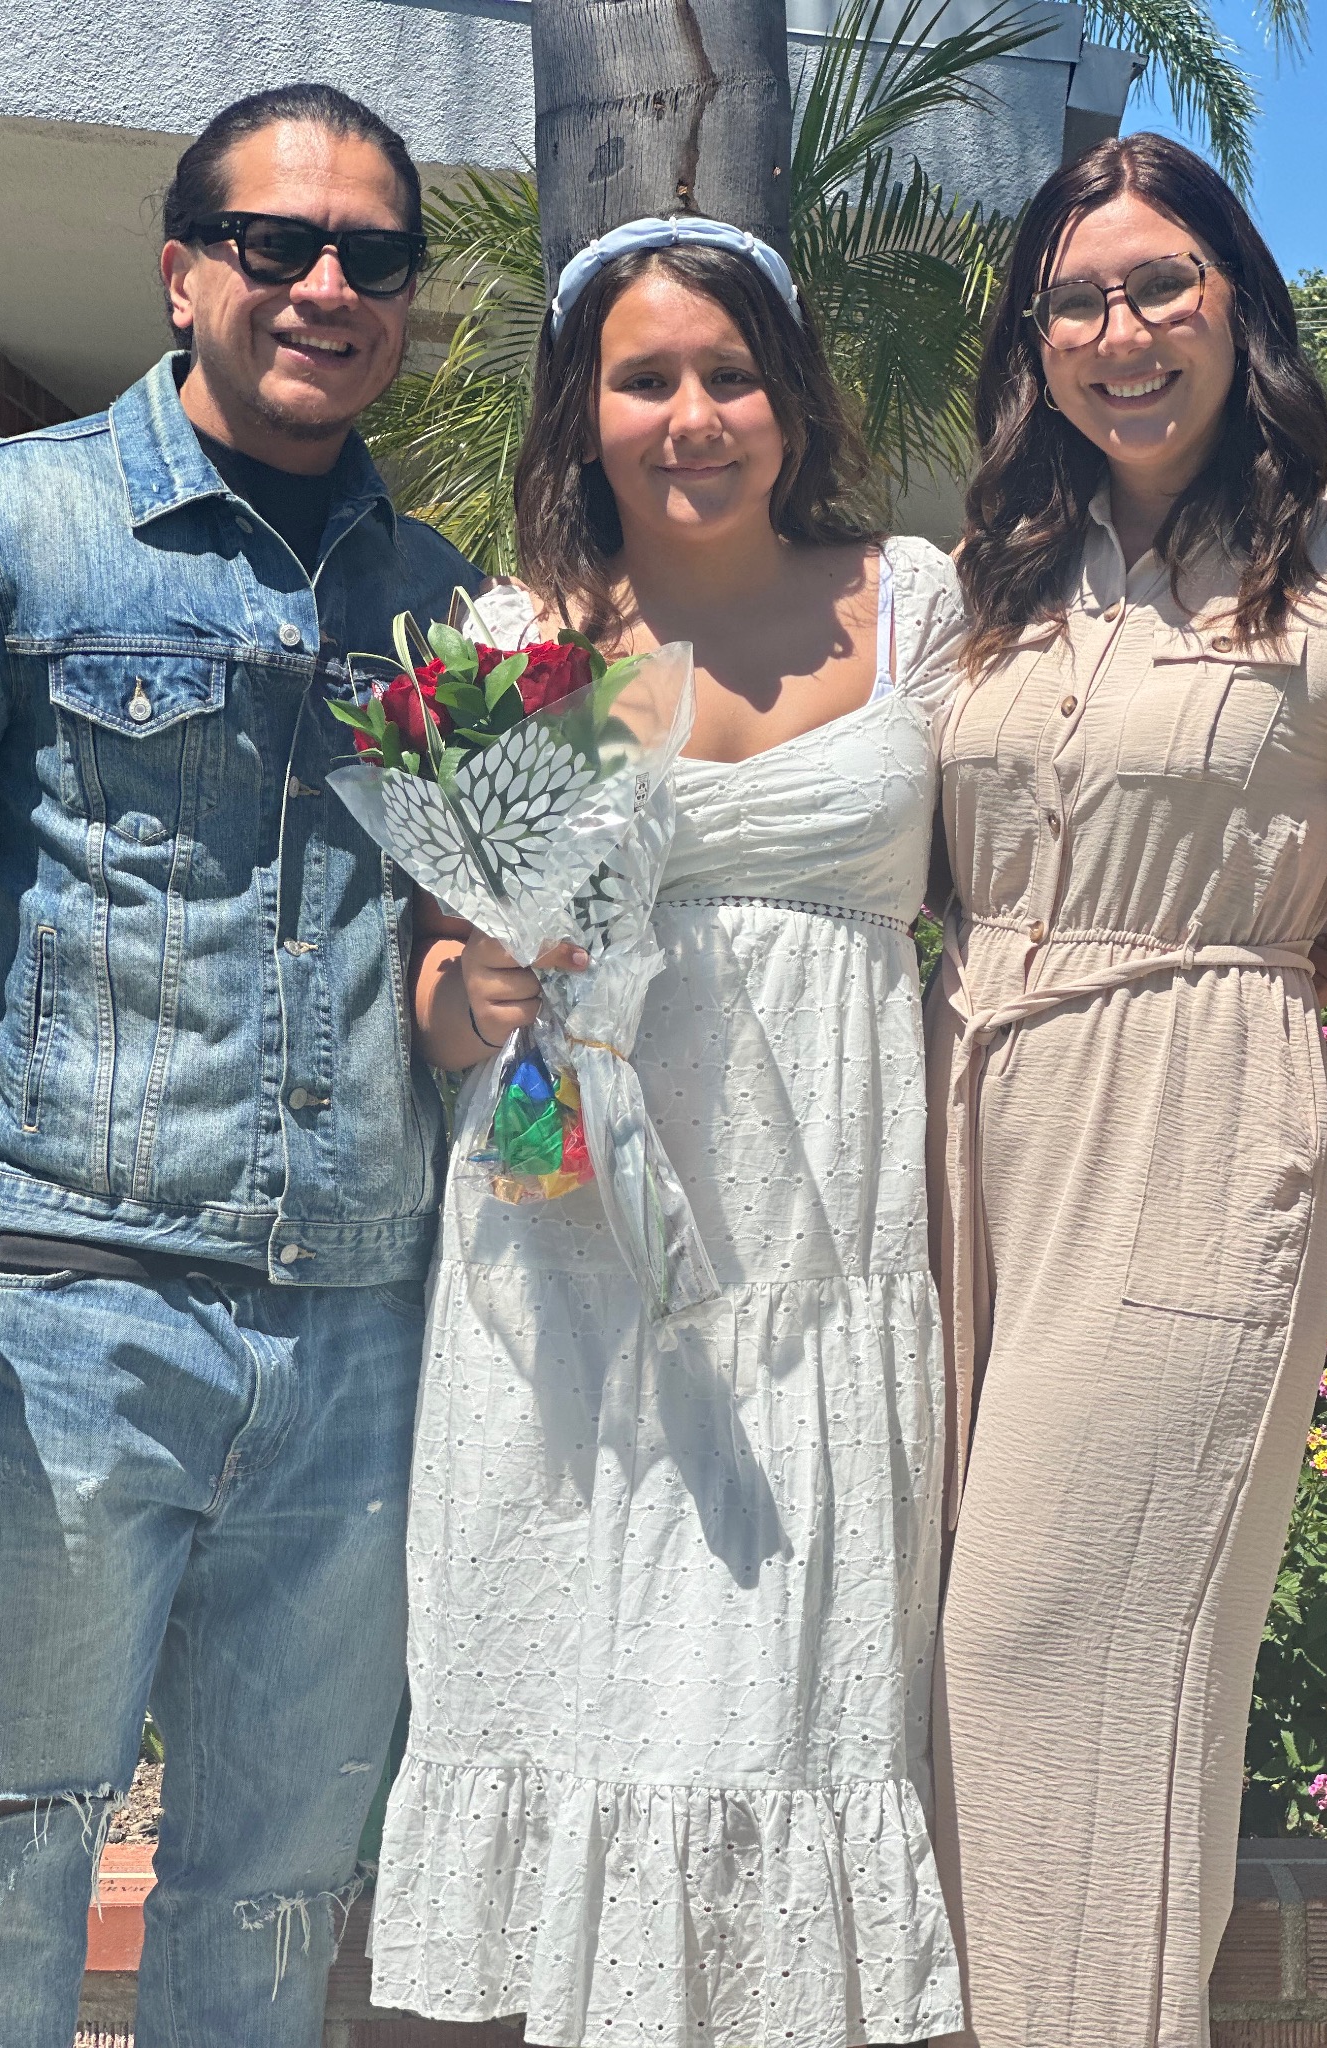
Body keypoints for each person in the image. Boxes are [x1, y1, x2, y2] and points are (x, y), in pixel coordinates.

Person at [367, 215, 970, 2046]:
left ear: (791, 400)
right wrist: (468, 996)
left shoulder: (915, 603)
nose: (692, 415)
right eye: (645, 379)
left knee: (782, 1707)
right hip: (566, 1252)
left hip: (817, 1262)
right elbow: (443, 975)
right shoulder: (516, 643)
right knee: (574, 1684)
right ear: (585, 410)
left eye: (729, 374)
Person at [925, 132, 1327, 2048]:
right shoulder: (991, 573)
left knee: (1056, 1648)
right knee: (933, 1651)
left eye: (1160, 282)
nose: (1122, 331)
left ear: (1238, 295)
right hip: (956, 1126)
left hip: (1193, 1115)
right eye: (1076, 300)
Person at [0, 84, 480, 2048]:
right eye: (278, 242)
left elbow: (478, 944)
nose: (327, 284)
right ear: (183, 272)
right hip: (65, 1308)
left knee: (277, 1894)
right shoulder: (7, 525)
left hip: (361, 1327)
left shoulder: (443, 602)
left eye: (373, 255)